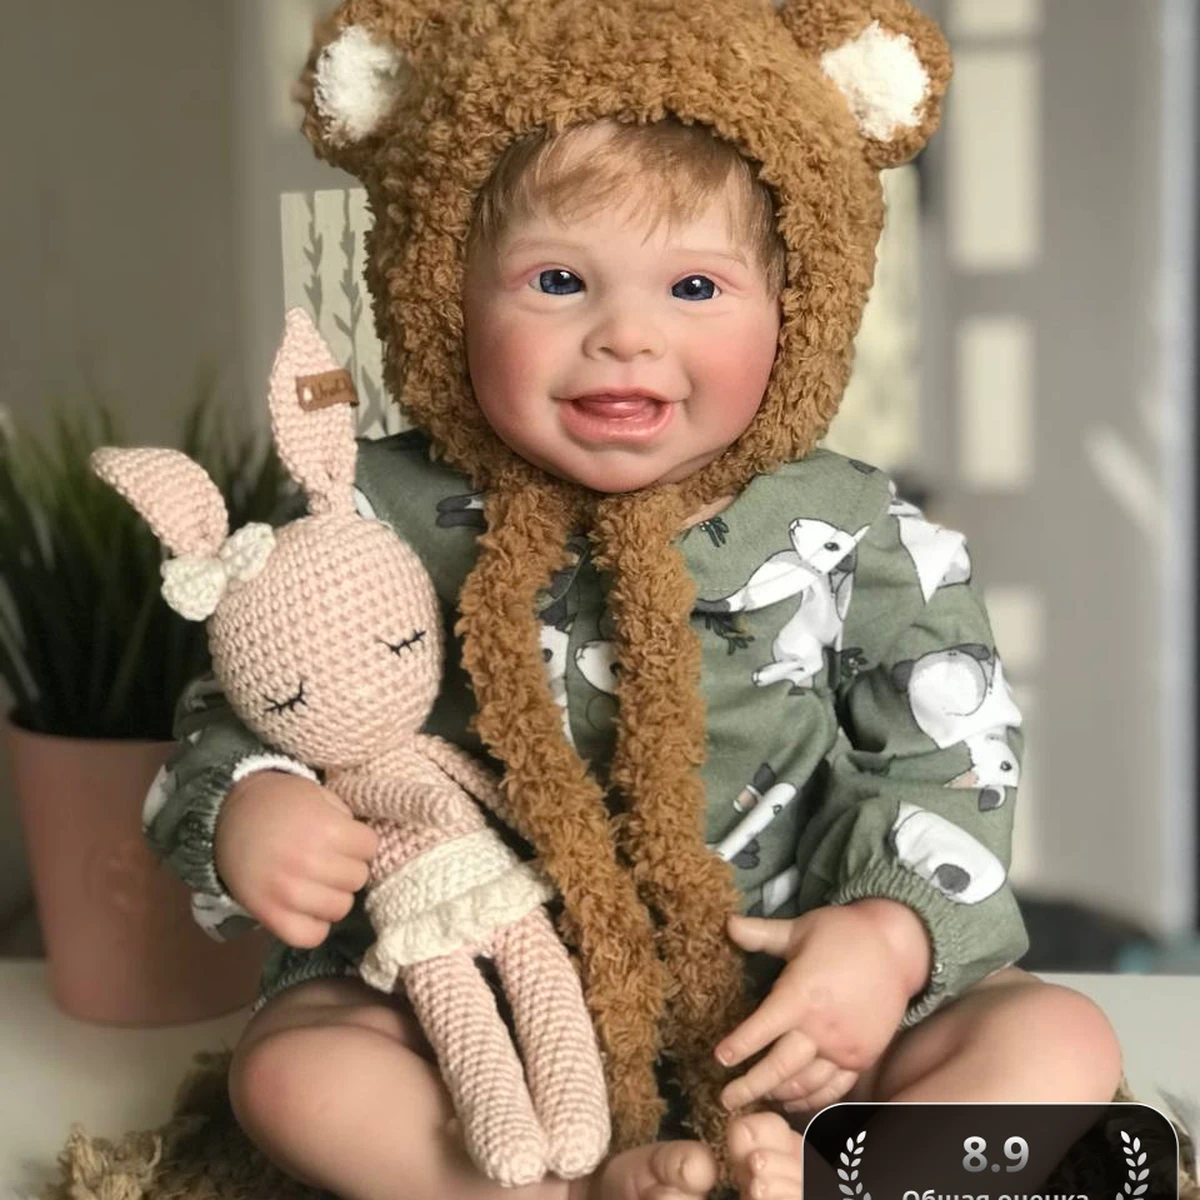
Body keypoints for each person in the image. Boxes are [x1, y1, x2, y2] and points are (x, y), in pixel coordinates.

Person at [149, 3, 1124, 1198]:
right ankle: (559, 1190)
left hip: (791, 1010)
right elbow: (246, 693)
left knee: (1058, 1041)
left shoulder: (854, 525)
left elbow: (955, 748)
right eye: (559, 280)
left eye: (695, 285)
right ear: (443, 289)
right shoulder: (369, 509)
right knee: (294, 1072)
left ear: (801, 302)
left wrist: (886, 940)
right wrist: (249, 803)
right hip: (482, 1014)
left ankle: (823, 1176)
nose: (625, 336)